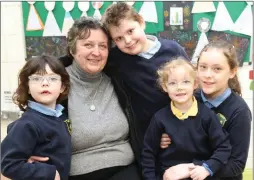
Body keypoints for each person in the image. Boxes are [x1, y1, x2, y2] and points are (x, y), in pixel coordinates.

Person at [101, 2, 190, 165]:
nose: (127, 41)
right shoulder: (116, 59)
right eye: (119, 38)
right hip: (147, 142)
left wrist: (176, 128)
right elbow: (79, 58)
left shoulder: (174, 50)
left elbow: (192, 91)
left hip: (181, 132)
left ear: (141, 22)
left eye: (130, 31)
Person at [161, 41, 252, 180]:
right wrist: (163, 137)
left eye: (217, 69)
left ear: (232, 72)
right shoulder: (188, 97)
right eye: (203, 67)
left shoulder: (239, 111)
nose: (208, 74)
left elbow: (236, 164)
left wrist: (193, 169)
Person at [141, 57, 232, 180]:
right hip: (168, 175)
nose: (179, 87)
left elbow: (223, 147)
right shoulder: (159, 118)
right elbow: (148, 152)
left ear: (195, 84)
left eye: (185, 82)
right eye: (173, 83)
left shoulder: (207, 116)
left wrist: (207, 168)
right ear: (165, 87)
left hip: (199, 174)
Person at [1, 55, 71, 180]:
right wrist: (50, 173)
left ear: (62, 87)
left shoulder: (61, 116)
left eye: (53, 78)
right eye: (37, 79)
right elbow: (8, 164)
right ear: (27, 87)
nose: (45, 83)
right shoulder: (26, 124)